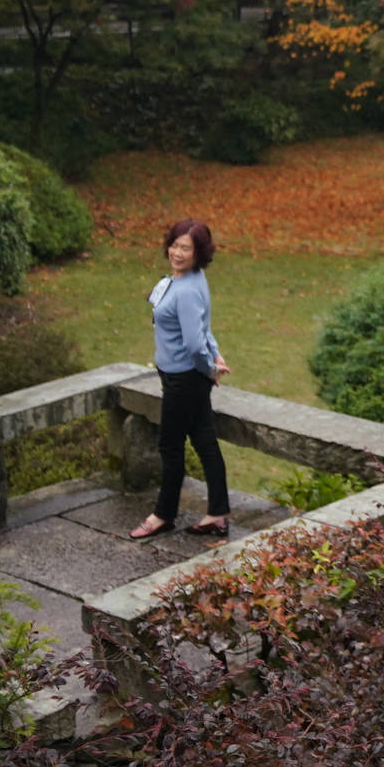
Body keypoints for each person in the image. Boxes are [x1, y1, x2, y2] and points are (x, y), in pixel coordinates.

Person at [131, 217, 230, 541]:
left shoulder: (187, 289)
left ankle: (163, 515)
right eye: (174, 244)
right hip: (186, 376)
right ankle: (217, 513)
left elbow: (192, 343)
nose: (177, 252)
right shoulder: (190, 278)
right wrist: (214, 355)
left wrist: (209, 368)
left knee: (170, 446)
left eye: (185, 248)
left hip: (183, 379)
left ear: (199, 252)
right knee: (204, 439)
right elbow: (204, 328)